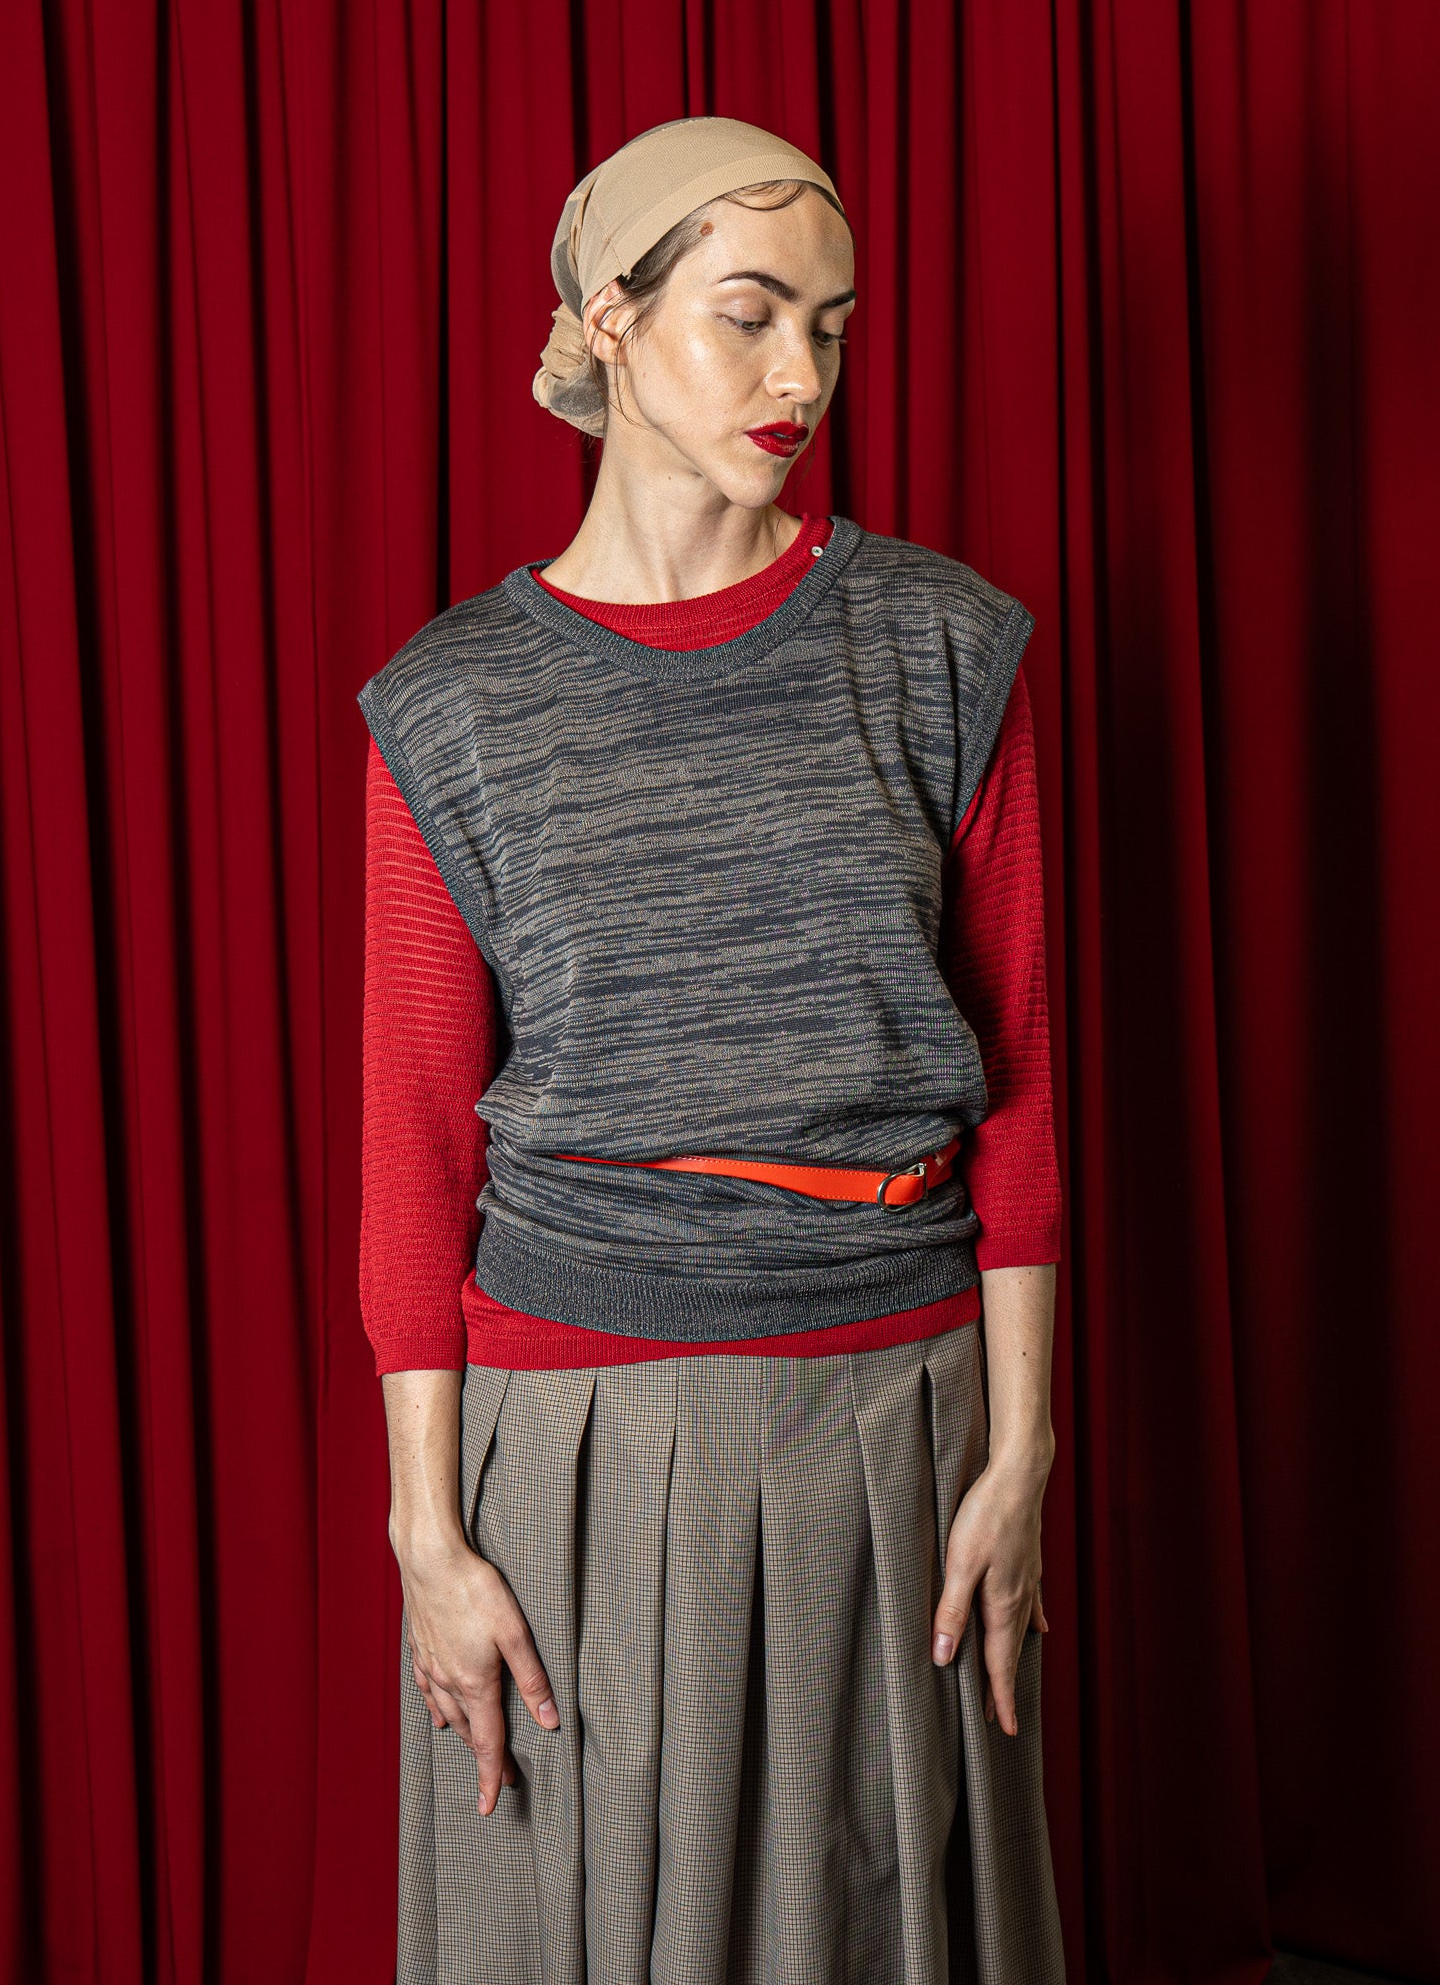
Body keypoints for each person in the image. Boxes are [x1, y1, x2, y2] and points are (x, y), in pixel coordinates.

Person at [357, 115, 1065, 1985]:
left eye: (829, 325)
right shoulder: (453, 702)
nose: (799, 377)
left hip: (893, 1406)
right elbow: (414, 1142)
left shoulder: (942, 643)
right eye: (749, 315)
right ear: (611, 318)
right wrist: (429, 1533)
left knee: (879, 1919)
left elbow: (1023, 1085)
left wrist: (1023, 1451)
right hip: (578, 1423)